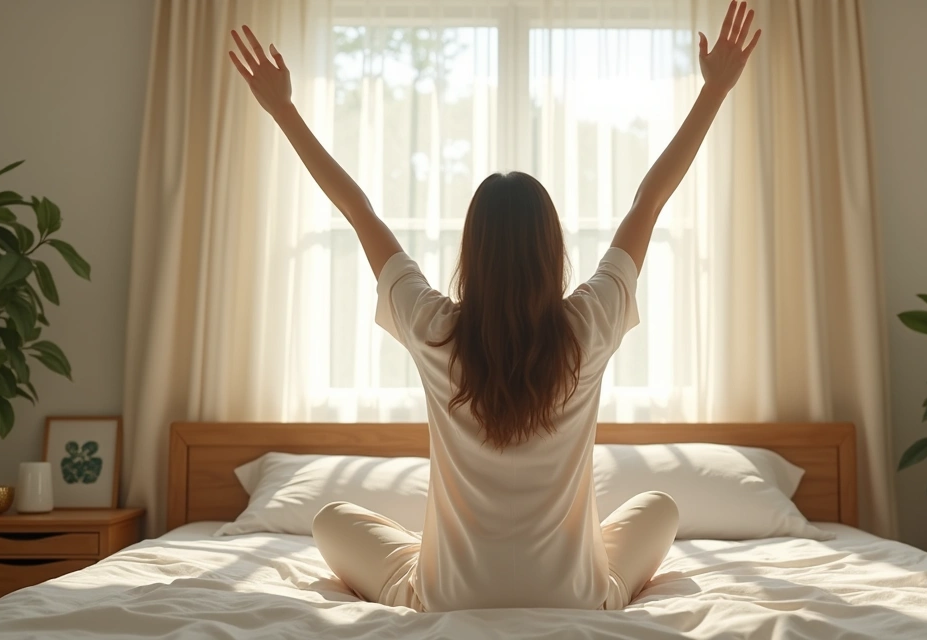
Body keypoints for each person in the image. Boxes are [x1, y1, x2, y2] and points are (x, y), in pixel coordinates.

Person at [228, 0, 760, 613]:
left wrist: (285, 110)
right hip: (580, 598)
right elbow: (648, 201)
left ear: (472, 251)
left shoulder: (434, 330)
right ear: (551, 249)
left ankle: (428, 554)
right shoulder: (590, 323)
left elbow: (360, 212)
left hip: (445, 598)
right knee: (661, 509)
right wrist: (714, 92)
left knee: (328, 519)